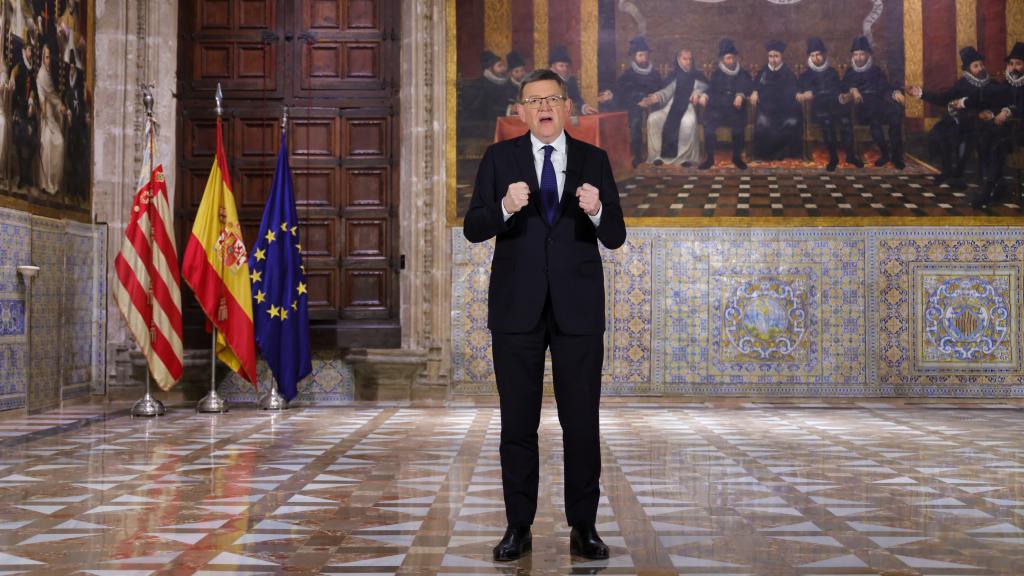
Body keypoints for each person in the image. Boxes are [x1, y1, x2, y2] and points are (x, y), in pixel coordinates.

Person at [462, 69, 626, 563]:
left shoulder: (594, 160)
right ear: (520, 111)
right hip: (516, 309)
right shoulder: (498, 158)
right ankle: (518, 527)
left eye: (552, 98)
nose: (544, 107)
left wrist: (598, 212)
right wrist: (505, 208)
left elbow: (616, 234)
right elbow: (473, 227)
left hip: (578, 311)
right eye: (533, 101)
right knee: (517, 424)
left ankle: (584, 527)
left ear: (568, 106)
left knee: (582, 423)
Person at [909, 47, 1012, 207]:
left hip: (982, 123)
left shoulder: (992, 83)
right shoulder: (962, 84)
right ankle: (949, 172)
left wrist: (990, 112)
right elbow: (945, 98)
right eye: (976, 66)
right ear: (968, 69)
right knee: (942, 133)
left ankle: (962, 175)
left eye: (981, 65)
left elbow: (999, 104)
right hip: (962, 121)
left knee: (971, 137)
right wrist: (922, 94)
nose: (980, 68)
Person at [841, 36, 906, 169]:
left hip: (879, 105)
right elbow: (843, 88)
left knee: (895, 116)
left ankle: (896, 156)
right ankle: (885, 154)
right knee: (874, 121)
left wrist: (895, 93)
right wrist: (853, 90)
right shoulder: (849, 72)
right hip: (861, 109)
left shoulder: (875, 70)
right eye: (856, 54)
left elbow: (885, 87)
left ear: (868, 55)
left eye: (862, 54)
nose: (858, 57)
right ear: (853, 56)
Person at [797, 37, 860, 171]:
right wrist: (805, 94)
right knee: (827, 123)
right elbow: (800, 93)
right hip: (818, 109)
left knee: (845, 121)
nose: (816, 58)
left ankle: (850, 155)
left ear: (824, 55)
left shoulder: (832, 72)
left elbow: (838, 89)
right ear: (809, 57)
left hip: (836, 106)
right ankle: (833, 158)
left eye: (818, 54)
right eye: (813, 55)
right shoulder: (805, 75)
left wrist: (844, 95)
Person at [603, 36, 663, 167]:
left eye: (646, 55)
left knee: (658, 118)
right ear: (634, 57)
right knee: (635, 122)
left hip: (653, 105)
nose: (644, 59)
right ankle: (637, 155)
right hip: (635, 105)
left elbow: (661, 91)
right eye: (641, 55)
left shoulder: (655, 74)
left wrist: (653, 98)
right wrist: (638, 101)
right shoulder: (628, 74)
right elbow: (621, 93)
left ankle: (657, 154)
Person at [639, 48, 706, 166]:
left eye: (690, 59)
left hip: (688, 107)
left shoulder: (697, 75)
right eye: (685, 59)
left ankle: (684, 158)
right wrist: (655, 97)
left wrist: (698, 92)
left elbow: (706, 87)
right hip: (669, 106)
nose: (688, 62)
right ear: (679, 59)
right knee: (653, 119)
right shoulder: (673, 75)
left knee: (688, 122)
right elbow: (666, 91)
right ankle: (657, 156)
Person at [698, 38, 753, 170]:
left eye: (732, 58)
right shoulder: (716, 74)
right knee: (709, 125)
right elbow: (711, 89)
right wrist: (705, 95)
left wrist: (740, 95)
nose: (731, 61)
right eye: (728, 58)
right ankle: (709, 158)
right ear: (722, 59)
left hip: (736, 109)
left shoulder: (743, 73)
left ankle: (737, 158)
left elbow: (748, 87)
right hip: (718, 108)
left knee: (738, 127)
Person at [751, 40, 803, 160]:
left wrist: (798, 93)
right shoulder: (763, 72)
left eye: (776, 56)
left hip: (785, 110)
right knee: (763, 123)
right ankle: (765, 155)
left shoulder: (788, 72)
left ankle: (784, 154)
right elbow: (755, 86)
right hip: (766, 109)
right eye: (770, 56)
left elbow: (795, 88)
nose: (773, 59)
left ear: (781, 57)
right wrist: (754, 91)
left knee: (792, 122)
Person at [36, 42, 65, 195]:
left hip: (53, 114)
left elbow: (54, 96)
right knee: (47, 144)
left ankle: (54, 182)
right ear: (42, 58)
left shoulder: (49, 75)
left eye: (49, 58)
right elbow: (43, 98)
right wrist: (45, 108)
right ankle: (46, 182)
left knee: (59, 144)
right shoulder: (41, 76)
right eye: (46, 58)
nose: (48, 60)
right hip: (46, 116)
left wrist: (59, 106)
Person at [11, 39, 38, 190]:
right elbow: (13, 73)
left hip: (29, 110)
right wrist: (11, 79)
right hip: (19, 110)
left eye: (31, 52)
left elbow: (33, 88)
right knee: (19, 142)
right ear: (25, 51)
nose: (30, 54)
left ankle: (27, 174)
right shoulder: (20, 66)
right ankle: (22, 176)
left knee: (33, 143)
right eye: (29, 51)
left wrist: (32, 101)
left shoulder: (32, 69)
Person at [549, 46, 594, 114]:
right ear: (552, 67)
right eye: (561, 66)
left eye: (567, 66)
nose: (565, 69)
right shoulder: (546, 81)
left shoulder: (571, 80)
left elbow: (577, 99)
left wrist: (584, 108)